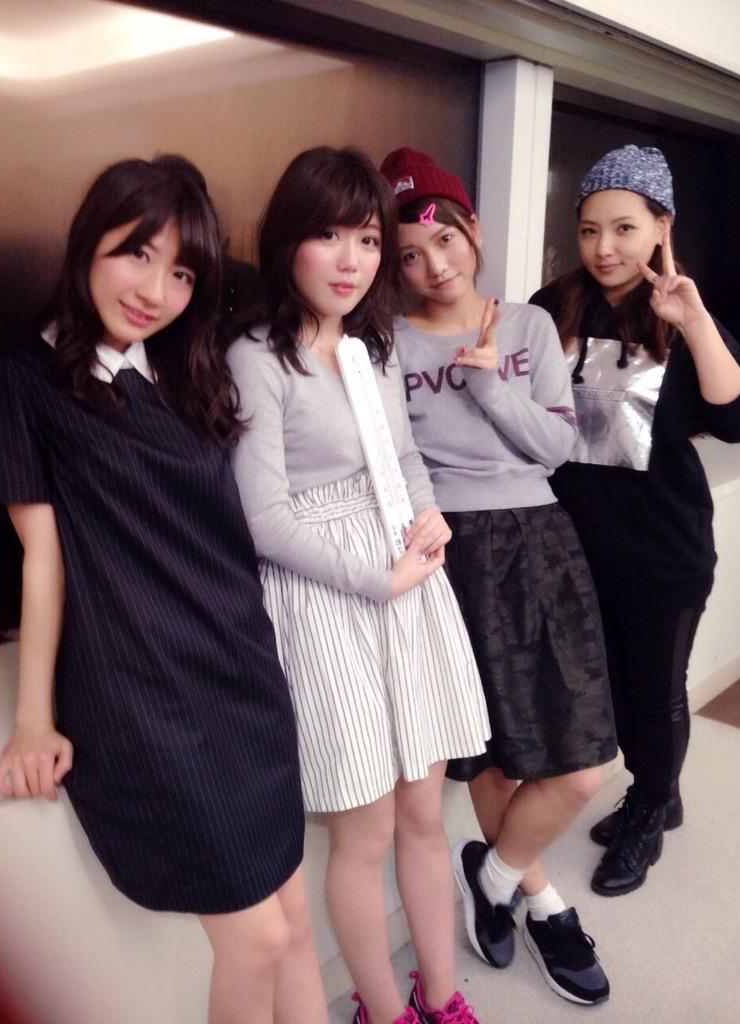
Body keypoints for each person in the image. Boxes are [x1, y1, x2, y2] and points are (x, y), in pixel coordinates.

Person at [0, 155, 327, 1024]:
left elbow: (265, 291)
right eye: (136, 254)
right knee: (257, 940)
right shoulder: (24, 379)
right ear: (87, 244)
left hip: (242, 673)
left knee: (293, 917)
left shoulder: (184, 367)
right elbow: (41, 558)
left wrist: (205, 248)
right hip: (145, 695)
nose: (155, 291)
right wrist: (34, 720)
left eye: (182, 273)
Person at [227, 146, 491, 1024]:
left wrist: (430, 512)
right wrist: (377, 578)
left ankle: (441, 996)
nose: (352, 260)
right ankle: (383, 1008)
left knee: (423, 812)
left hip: (406, 580)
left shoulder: (371, 345)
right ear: (288, 241)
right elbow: (265, 520)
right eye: (330, 235)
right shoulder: (256, 357)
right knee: (366, 829)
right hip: (329, 600)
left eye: (370, 239)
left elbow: (405, 457)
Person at [380, 146, 615, 1006]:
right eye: (409, 253)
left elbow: (558, 446)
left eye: (444, 239)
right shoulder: (388, 343)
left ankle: (494, 874)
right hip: (449, 549)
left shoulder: (526, 327)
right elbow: (394, 458)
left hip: (540, 538)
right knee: (490, 749)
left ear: (472, 229)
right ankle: (545, 903)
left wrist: (490, 389)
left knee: (582, 764)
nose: (433, 265)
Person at [529, 144, 740, 896]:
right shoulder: (551, 308)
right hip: (578, 549)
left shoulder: (682, 311)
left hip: (663, 549)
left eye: (624, 228)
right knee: (614, 695)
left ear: (662, 226)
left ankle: (649, 809)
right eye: (589, 229)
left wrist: (694, 322)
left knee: (654, 694)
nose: (604, 248)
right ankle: (662, 793)